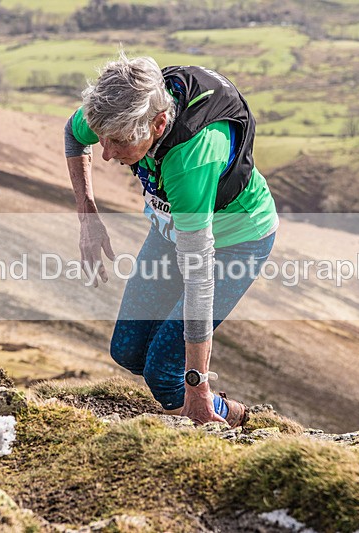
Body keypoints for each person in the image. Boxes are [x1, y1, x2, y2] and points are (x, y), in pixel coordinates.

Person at [64, 53, 278, 427]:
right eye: (102, 138)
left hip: (236, 242)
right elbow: (72, 134)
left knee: (164, 373)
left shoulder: (191, 160)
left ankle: (224, 422)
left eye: (117, 142)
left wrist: (196, 385)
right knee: (128, 350)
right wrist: (87, 214)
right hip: (170, 230)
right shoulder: (121, 109)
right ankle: (205, 407)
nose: (107, 153)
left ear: (159, 123)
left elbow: (199, 277)